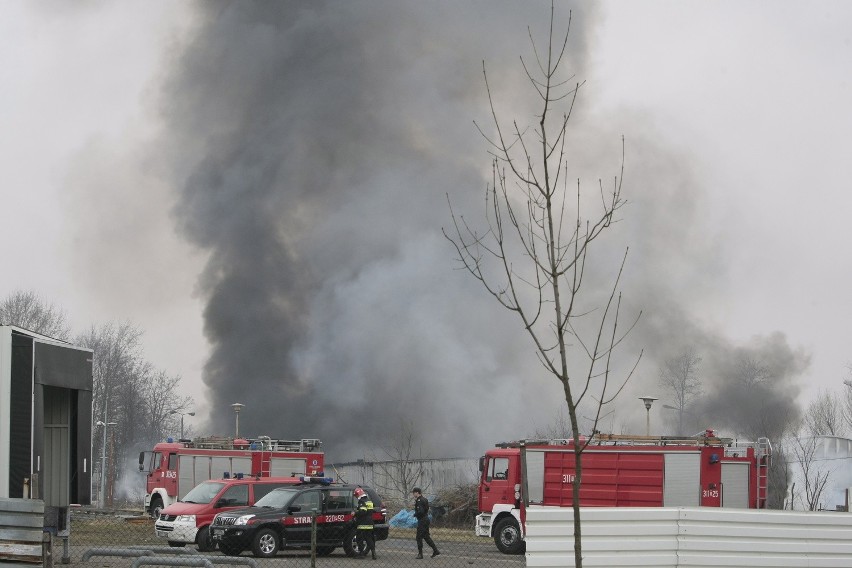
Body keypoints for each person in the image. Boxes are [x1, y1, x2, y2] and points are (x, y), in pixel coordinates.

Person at [412, 487, 439, 559]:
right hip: (426, 519)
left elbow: (421, 511)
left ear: (417, 492)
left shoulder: (419, 500)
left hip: (422, 520)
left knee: (418, 537)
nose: (413, 494)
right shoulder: (425, 499)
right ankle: (435, 550)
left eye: (414, 493)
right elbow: (426, 509)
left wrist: (415, 514)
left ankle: (420, 554)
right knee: (426, 536)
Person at [352, 487, 376, 560]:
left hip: (362, 523)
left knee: (359, 539)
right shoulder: (369, 501)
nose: (356, 497)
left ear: (358, 494)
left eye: (356, 495)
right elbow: (371, 510)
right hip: (370, 523)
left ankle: (361, 554)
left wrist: (355, 513)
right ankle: (373, 552)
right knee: (369, 539)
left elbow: (363, 511)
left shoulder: (362, 501)